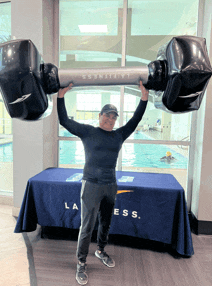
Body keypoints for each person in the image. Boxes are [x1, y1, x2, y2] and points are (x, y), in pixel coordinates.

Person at [57, 81, 149, 285]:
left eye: (114, 116)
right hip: (90, 184)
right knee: (87, 226)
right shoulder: (88, 132)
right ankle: (81, 262)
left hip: (110, 184)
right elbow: (64, 120)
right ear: (99, 116)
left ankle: (100, 250)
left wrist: (144, 99)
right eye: (107, 114)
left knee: (106, 221)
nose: (110, 118)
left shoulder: (119, 135)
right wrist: (61, 97)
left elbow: (136, 119)